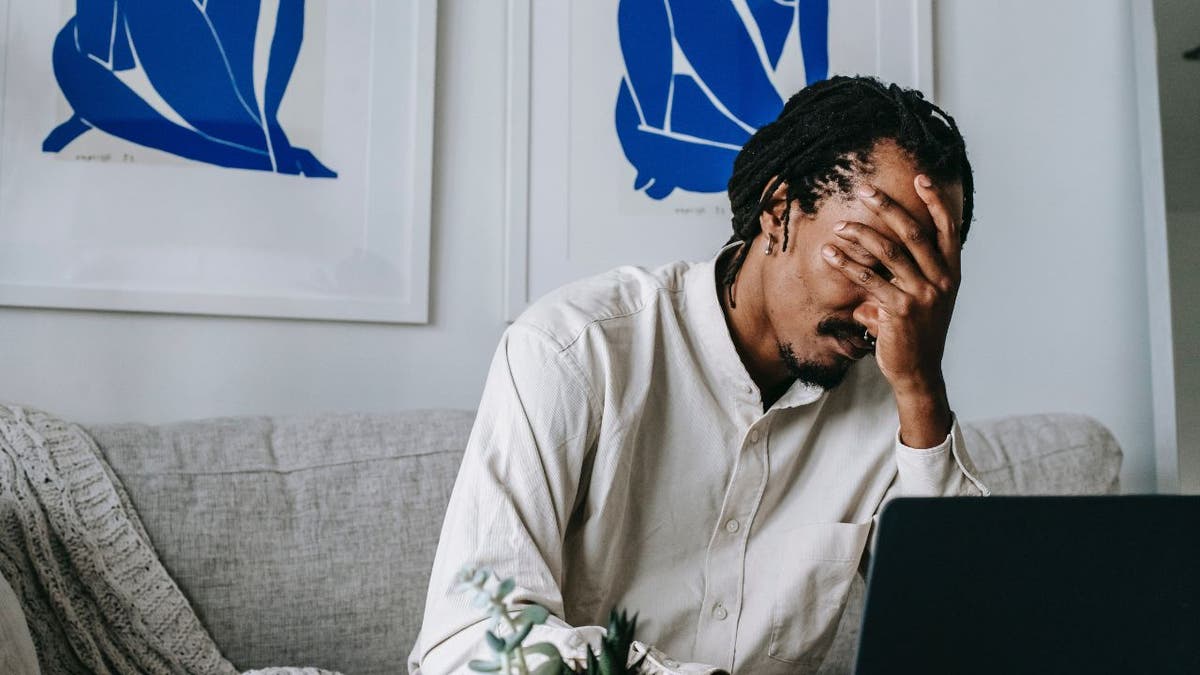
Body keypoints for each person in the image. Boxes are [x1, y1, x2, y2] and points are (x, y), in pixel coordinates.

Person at [408, 76, 989, 675]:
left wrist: (922, 389)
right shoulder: (573, 351)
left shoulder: (898, 392)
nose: (882, 313)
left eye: (914, 283)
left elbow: (969, 639)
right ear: (779, 210)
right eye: (870, 264)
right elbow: (469, 637)